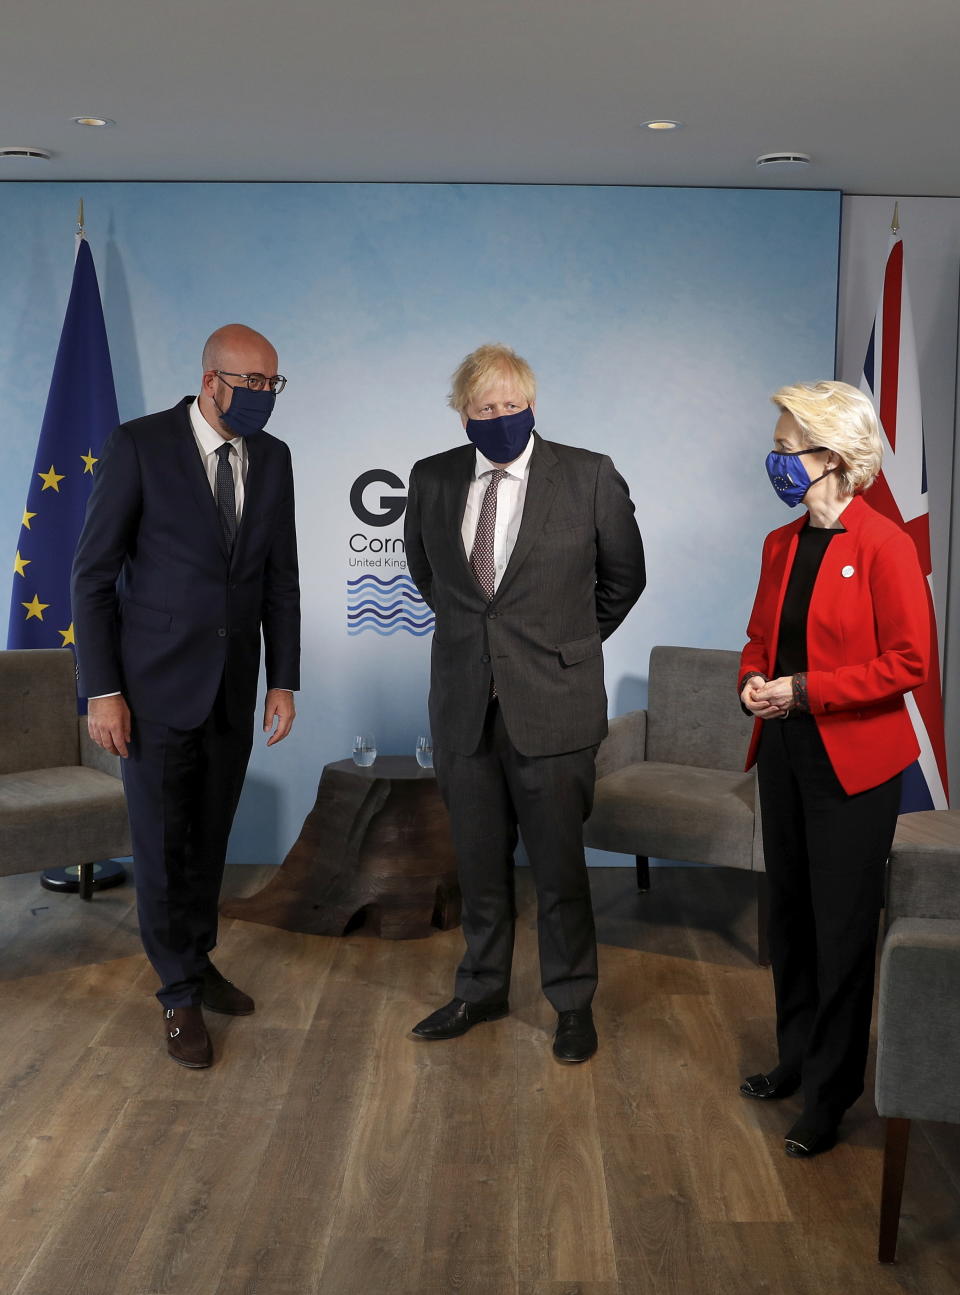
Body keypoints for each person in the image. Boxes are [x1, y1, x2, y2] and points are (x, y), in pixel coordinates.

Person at [404, 343, 646, 1062]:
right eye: (485, 408)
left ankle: (572, 1003)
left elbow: (624, 579)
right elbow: (430, 576)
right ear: (463, 413)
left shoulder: (590, 474)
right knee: (478, 866)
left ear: (533, 404)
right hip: (463, 709)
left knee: (559, 870)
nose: (501, 417)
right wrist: (487, 648)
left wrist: (560, 646)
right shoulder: (432, 477)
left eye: (512, 405)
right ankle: (479, 988)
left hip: (555, 709)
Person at [72, 324, 300, 1069]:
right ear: (211, 380)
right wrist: (102, 691)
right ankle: (176, 996)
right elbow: (92, 576)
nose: (265, 398)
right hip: (152, 690)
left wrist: (284, 679)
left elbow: (278, 578)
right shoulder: (139, 446)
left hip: (233, 689)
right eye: (253, 384)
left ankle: (197, 961)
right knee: (164, 846)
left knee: (207, 840)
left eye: (274, 385)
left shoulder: (273, 458)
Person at [738, 380, 929, 1156]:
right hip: (782, 751)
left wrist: (806, 691)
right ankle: (794, 1058)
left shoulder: (885, 544)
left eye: (788, 449)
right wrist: (753, 682)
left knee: (840, 927)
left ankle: (832, 1091)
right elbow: (759, 637)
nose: (777, 462)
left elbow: (908, 662)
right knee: (788, 915)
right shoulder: (780, 543)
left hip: (855, 765)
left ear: (837, 458)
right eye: (778, 448)